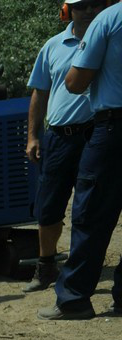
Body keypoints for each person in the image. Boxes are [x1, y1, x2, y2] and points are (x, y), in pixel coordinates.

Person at [39, 0, 122, 319]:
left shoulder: (108, 21)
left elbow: (75, 82)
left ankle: (74, 298)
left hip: (112, 128)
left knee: (90, 214)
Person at [24, 0, 102, 293]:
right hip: (58, 137)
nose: (88, 11)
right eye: (81, 5)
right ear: (68, 10)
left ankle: (84, 269)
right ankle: (46, 267)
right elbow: (39, 92)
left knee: (90, 207)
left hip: (95, 135)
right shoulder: (52, 47)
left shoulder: (106, 39)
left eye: (94, 5)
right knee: (49, 204)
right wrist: (33, 137)